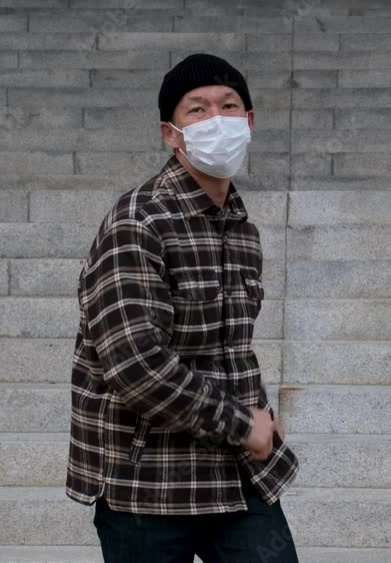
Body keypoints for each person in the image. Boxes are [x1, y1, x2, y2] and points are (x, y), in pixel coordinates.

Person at [65, 53, 301, 563]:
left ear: (250, 122)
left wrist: (260, 417)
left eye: (229, 105)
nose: (217, 119)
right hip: (146, 487)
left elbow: (230, 349)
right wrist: (242, 422)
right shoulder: (138, 221)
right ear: (172, 134)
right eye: (198, 110)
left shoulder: (242, 229)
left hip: (235, 475)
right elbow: (135, 366)